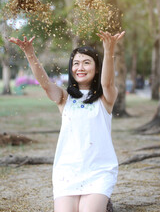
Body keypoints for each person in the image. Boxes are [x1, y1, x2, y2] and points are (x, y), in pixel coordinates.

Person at [9, 30, 125, 212]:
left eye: (87, 63)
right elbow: (46, 84)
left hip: (98, 170)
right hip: (68, 170)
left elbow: (108, 84)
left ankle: (103, 202)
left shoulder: (105, 98)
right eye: (76, 63)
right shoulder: (65, 97)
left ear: (96, 69)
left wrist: (109, 50)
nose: (80, 67)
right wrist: (30, 53)